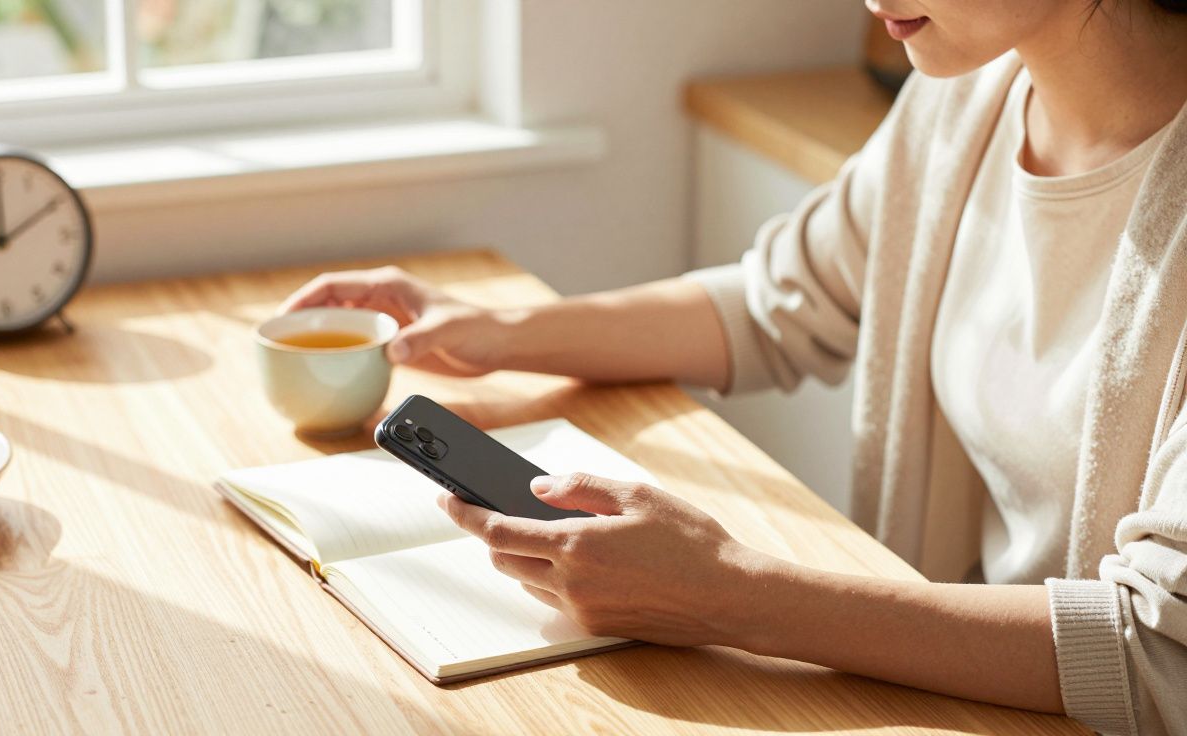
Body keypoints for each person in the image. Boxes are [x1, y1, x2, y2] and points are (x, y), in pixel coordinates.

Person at [281, 1, 1187, 733]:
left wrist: (729, 595)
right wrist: (498, 329)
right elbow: (778, 299)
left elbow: (1162, 655)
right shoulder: (968, 96)